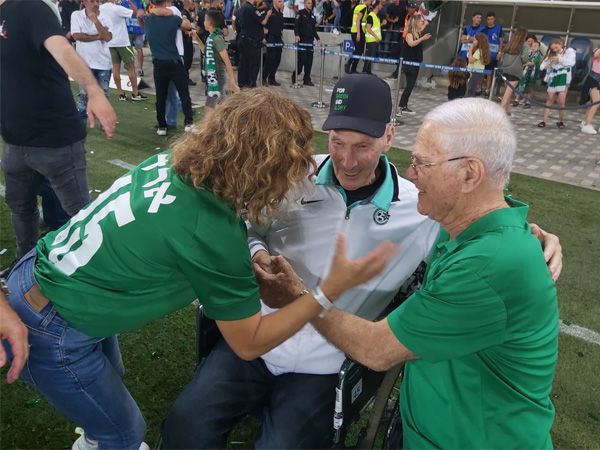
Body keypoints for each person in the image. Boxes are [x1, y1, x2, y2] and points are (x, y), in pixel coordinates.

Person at [162, 74, 563, 450]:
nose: (347, 160)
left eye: (363, 146)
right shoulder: (291, 175)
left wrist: (529, 235)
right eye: (338, 142)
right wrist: (257, 252)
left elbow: (476, 218)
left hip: (325, 362)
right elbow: (246, 226)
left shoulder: (422, 206)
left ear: (388, 137)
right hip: (258, 336)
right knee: (185, 423)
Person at [1, 88, 396, 450]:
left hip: (37, 274)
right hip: (55, 325)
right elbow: (249, 343)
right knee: (122, 432)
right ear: (263, 167)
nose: (306, 167)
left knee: (109, 379)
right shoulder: (212, 230)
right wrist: (327, 291)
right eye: (292, 162)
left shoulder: (172, 163)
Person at [0, 0, 116, 261]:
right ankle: (25, 266)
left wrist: (95, 91)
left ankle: (98, 269)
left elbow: (63, 49)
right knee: (20, 209)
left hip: (55, 140)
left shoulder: (30, 7)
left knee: (81, 215)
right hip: (14, 141)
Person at [144, 0, 195, 135]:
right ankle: (188, 123)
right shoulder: (174, 18)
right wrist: (182, 15)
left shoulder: (149, 19)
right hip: (174, 61)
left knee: (161, 96)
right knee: (184, 93)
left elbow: (144, 20)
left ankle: (162, 126)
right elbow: (188, 25)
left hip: (158, 63)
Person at [71, 0, 114, 125]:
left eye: (97, 1)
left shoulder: (105, 17)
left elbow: (107, 37)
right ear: (84, 2)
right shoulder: (76, 15)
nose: (95, 4)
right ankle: (81, 126)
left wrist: (95, 20)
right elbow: (77, 36)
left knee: (103, 97)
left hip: (103, 64)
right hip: (84, 65)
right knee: (83, 98)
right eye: (92, 1)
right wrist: (97, 36)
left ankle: (105, 125)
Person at [100, 0, 148, 101]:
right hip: (122, 42)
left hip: (110, 42)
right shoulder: (117, 8)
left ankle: (121, 94)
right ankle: (135, 93)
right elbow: (136, 13)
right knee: (131, 68)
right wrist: (130, 1)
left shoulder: (101, 8)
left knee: (115, 68)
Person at [201, 9, 240, 110]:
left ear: (210, 23)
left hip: (217, 76)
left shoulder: (217, 39)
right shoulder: (211, 37)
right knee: (216, 105)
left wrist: (232, 82)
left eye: (205, 20)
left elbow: (227, 61)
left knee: (209, 107)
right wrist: (196, 38)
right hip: (213, 75)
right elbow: (205, 51)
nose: (203, 22)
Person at [538, 38, 576, 129]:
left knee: (561, 101)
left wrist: (559, 59)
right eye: (553, 49)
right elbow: (541, 66)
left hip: (564, 78)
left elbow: (571, 63)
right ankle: (544, 121)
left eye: (556, 47)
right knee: (549, 100)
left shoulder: (569, 51)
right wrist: (548, 64)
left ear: (561, 44)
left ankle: (561, 121)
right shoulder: (551, 53)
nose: (555, 50)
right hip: (553, 78)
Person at [397, 14, 430, 115]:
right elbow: (411, 44)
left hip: (415, 63)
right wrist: (422, 39)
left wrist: (426, 23)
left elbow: (422, 28)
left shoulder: (417, 33)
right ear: (416, 23)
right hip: (409, 64)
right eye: (420, 21)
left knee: (411, 86)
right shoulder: (409, 34)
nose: (421, 23)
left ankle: (404, 105)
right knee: (410, 85)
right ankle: (401, 106)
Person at [499, 27, 528, 115]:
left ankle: (507, 111)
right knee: (508, 94)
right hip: (515, 70)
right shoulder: (524, 45)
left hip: (505, 69)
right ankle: (499, 113)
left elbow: (503, 57)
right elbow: (525, 59)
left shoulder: (509, 44)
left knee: (507, 91)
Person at [237, 0, 266, 88]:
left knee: (243, 63)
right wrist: (267, 14)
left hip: (242, 37)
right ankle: (250, 83)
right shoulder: (251, 9)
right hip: (251, 41)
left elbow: (237, 23)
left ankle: (242, 83)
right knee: (253, 64)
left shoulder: (241, 8)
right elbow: (262, 21)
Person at [292, 0, 320, 86]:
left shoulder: (312, 15)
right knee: (302, 60)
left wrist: (318, 39)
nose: (310, 5)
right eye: (308, 3)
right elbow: (296, 26)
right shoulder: (300, 13)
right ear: (304, 4)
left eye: (311, 3)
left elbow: (313, 29)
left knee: (309, 61)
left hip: (310, 42)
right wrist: (296, 35)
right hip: (302, 41)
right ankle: (295, 75)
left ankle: (307, 79)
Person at [344, 0, 371, 74]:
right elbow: (358, 20)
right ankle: (349, 64)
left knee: (358, 51)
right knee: (359, 51)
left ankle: (352, 67)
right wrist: (359, 33)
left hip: (353, 31)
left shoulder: (358, 6)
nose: (371, 2)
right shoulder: (364, 7)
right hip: (358, 32)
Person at [263, 0, 285, 85]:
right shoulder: (269, 12)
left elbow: (281, 28)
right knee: (270, 58)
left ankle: (272, 78)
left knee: (277, 59)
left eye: (282, 2)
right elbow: (265, 26)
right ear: (274, 1)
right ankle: (263, 78)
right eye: (279, 1)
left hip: (278, 38)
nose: (281, 3)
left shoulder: (281, 14)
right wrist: (264, 37)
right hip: (271, 37)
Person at [516, 38, 543, 109]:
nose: (533, 47)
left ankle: (528, 101)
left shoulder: (538, 55)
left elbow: (532, 63)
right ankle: (517, 99)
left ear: (539, 48)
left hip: (532, 74)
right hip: (525, 73)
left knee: (530, 87)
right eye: (532, 46)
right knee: (521, 85)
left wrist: (525, 64)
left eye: (536, 46)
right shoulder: (529, 54)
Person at [579, 47, 600, 135]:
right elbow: (595, 55)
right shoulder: (598, 51)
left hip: (595, 79)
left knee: (593, 103)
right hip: (595, 79)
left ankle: (585, 122)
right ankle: (587, 125)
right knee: (596, 103)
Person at [361, 0, 385, 74]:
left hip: (374, 41)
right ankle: (365, 72)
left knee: (370, 58)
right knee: (368, 58)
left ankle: (368, 72)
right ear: (377, 6)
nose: (382, 6)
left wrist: (382, 24)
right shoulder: (371, 16)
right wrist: (376, 37)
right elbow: (368, 29)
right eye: (381, 5)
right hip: (371, 41)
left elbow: (375, 27)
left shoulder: (376, 16)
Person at [483, 11, 503, 95]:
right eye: (488, 19)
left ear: (494, 19)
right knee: (482, 72)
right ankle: (479, 88)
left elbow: (501, 41)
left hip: (494, 55)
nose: (490, 21)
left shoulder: (499, 28)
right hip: (484, 55)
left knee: (490, 73)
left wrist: (499, 52)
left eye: (491, 19)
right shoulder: (483, 28)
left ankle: (488, 89)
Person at [465, 31, 490, 97]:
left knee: (470, 90)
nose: (473, 41)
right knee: (471, 89)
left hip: (475, 72)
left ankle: (469, 101)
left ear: (479, 41)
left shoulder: (479, 51)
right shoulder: (479, 50)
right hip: (476, 72)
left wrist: (470, 50)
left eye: (475, 40)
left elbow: (471, 60)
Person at [126, 0, 146, 76]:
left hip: (129, 28)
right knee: (139, 49)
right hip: (138, 28)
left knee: (129, 48)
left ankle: (131, 67)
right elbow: (143, 14)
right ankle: (140, 69)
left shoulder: (123, 2)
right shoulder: (141, 2)